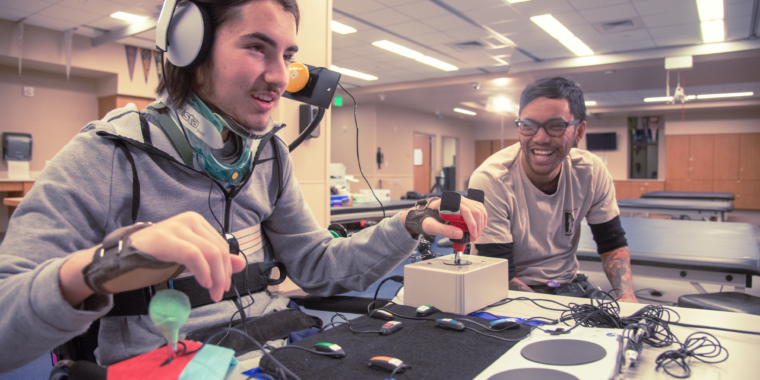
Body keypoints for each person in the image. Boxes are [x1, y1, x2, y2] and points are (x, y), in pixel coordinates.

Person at [0, 0, 486, 372]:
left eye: (288, 55)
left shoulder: (267, 155)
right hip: (172, 362)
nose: (280, 78)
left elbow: (318, 266)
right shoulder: (107, 154)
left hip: (276, 346)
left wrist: (408, 223)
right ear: (190, 46)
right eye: (257, 47)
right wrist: (94, 268)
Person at [470, 77, 637, 303]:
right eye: (528, 125)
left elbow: (612, 244)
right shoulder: (491, 179)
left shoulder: (591, 172)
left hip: (568, 284)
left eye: (556, 126)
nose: (540, 138)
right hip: (509, 291)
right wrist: (559, 313)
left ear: (579, 131)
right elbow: (501, 272)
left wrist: (626, 298)